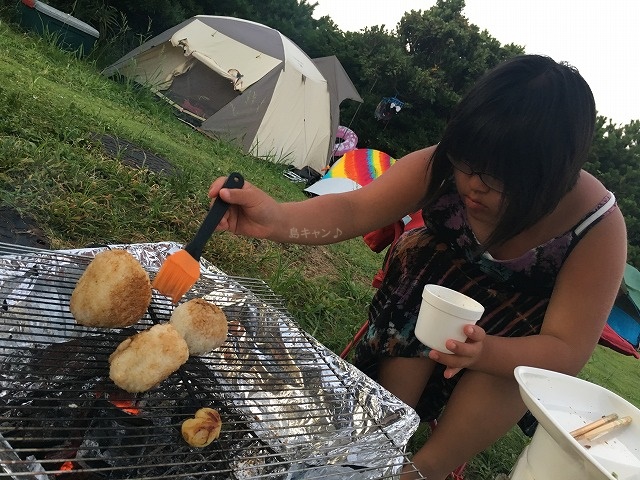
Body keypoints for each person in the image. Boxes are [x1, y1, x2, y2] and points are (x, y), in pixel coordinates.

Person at [208, 54, 627, 479]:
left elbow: (565, 349)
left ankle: (424, 469)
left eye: (501, 177)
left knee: (516, 361)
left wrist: (486, 351)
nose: (475, 184)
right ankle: (382, 433)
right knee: (427, 267)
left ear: (551, 178)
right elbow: (356, 210)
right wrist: (275, 218)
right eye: (468, 163)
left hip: (519, 335)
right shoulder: (445, 164)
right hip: (431, 290)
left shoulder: (595, 226)